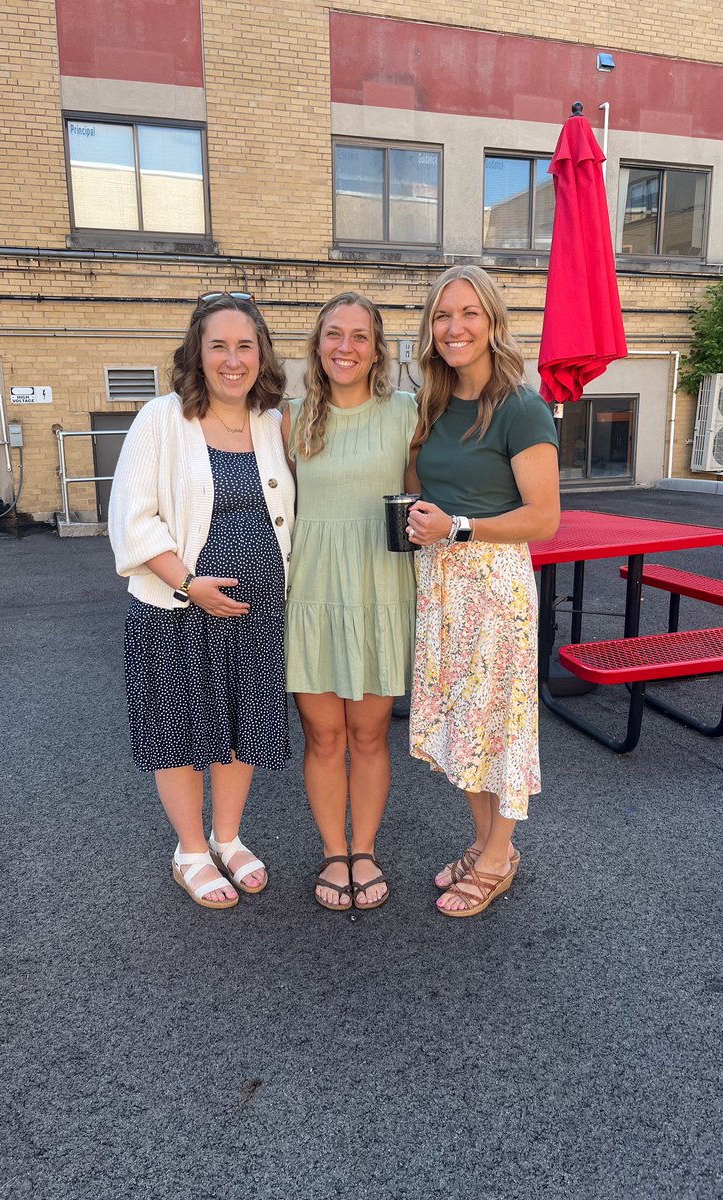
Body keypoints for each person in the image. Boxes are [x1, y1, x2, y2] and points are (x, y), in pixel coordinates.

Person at [108, 292, 295, 910]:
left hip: (258, 612)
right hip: (177, 609)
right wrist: (190, 585)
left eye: (246, 346)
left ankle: (229, 835)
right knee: (183, 732)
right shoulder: (161, 419)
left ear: (261, 354)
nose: (233, 359)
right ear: (197, 352)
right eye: (219, 345)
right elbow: (133, 521)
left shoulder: (272, 421)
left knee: (241, 728)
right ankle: (191, 849)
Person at [404, 265, 560, 918]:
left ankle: (499, 855)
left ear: (492, 322)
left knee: (496, 724)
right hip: (441, 585)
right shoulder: (434, 404)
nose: (454, 326)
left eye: (468, 313)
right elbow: (422, 483)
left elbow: (545, 517)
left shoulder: (519, 405)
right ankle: (485, 840)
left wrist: (458, 526)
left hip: (493, 588)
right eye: (443, 315)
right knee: (460, 727)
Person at [282, 292, 417, 910]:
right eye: (334, 334)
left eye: (359, 336)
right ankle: (333, 852)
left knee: (367, 736)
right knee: (322, 735)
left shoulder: (407, 415)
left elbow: (423, 498)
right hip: (310, 591)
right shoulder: (290, 416)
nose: (345, 347)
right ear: (318, 345)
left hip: (377, 590)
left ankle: (364, 849)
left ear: (377, 348)